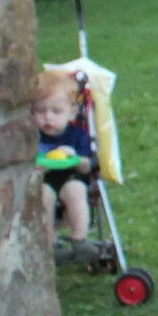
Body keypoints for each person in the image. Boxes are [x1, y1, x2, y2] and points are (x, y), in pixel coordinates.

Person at [32, 70, 96, 247]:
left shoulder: (77, 135)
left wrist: (76, 158)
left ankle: (80, 239)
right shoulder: (32, 137)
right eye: (40, 111)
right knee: (43, 193)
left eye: (56, 111)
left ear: (72, 113)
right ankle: (49, 242)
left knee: (75, 190)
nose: (48, 117)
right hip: (45, 179)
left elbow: (88, 165)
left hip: (71, 177)